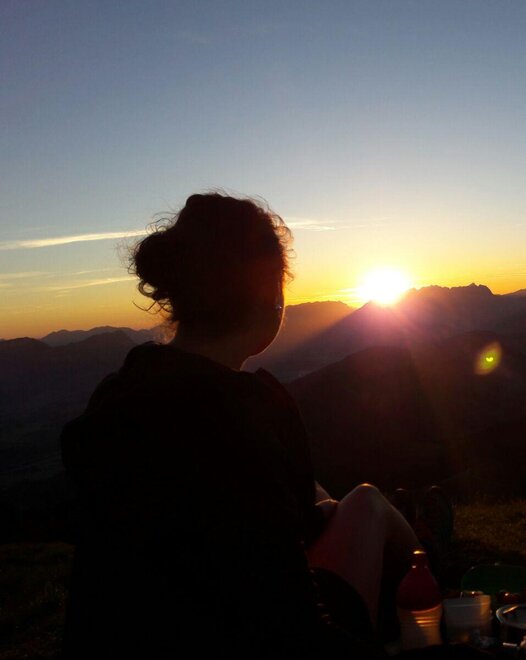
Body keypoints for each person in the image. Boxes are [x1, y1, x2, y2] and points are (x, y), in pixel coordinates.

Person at [59, 193, 447, 658]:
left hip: (131, 632)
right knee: (367, 502)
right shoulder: (238, 418)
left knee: (320, 495)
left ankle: (392, 523)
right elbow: (296, 632)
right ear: (268, 293)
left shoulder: (124, 392)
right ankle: (427, 555)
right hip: (245, 637)